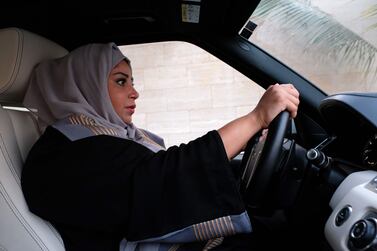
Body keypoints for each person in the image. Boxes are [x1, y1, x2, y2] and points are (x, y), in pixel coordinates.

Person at [21, 42, 300, 251]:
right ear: (84, 85)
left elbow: (162, 171)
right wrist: (255, 118)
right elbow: (161, 180)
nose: (134, 91)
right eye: (120, 81)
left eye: (132, 81)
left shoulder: (105, 135)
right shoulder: (64, 152)